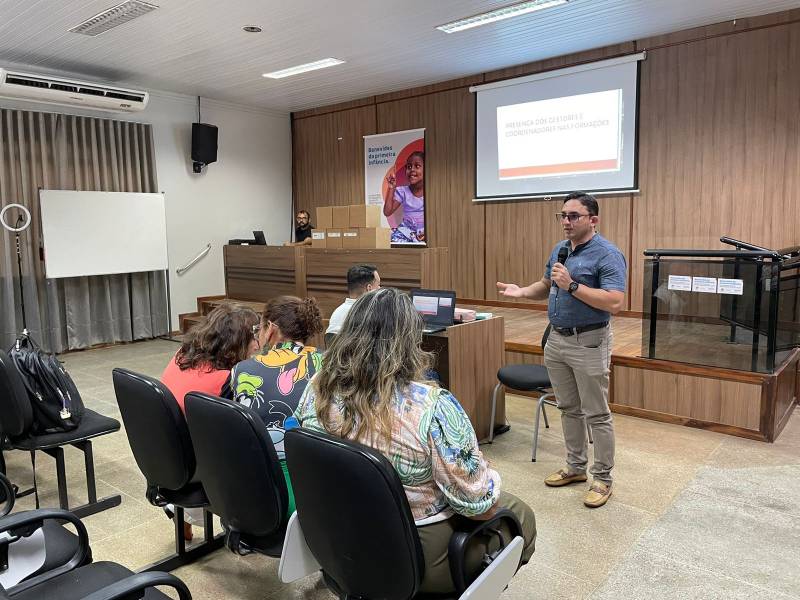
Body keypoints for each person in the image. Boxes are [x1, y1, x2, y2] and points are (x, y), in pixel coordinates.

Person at [295, 287, 536, 594]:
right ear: (411, 340)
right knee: (522, 516)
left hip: (338, 531)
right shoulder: (433, 407)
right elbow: (478, 507)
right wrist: (487, 472)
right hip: (414, 554)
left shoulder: (317, 387)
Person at [496, 191, 626, 508]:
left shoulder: (607, 254)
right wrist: (521, 291)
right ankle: (575, 467)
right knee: (568, 408)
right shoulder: (560, 249)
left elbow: (615, 302)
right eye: (563, 215)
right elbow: (546, 285)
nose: (566, 221)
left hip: (589, 342)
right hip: (557, 340)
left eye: (573, 216)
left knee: (597, 414)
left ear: (593, 220)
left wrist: (572, 285)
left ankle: (603, 479)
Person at [160, 301, 260, 539]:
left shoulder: (182, 356)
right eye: (254, 336)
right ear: (238, 342)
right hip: (197, 461)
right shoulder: (226, 379)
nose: (258, 344)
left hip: (168, 451)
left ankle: (181, 512)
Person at [231, 296, 323, 518]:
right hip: (315, 488)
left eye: (259, 328)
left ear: (271, 328)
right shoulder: (329, 363)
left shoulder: (242, 370)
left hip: (259, 489)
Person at [161, 302, 260, 413]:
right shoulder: (227, 380)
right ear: (235, 343)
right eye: (253, 339)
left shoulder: (182, 354)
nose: (257, 346)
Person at [326, 264, 381, 336]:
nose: (380, 288)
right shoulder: (372, 315)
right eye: (378, 285)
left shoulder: (337, 312)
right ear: (369, 288)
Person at [383, 151, 425, 243]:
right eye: (409, 167)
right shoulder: (403, 191)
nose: (412, 169)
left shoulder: (431, 192)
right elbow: (387, 212)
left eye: (417, 166)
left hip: (425, 232)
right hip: (406, 231)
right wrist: (391, 188)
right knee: (391, 240)